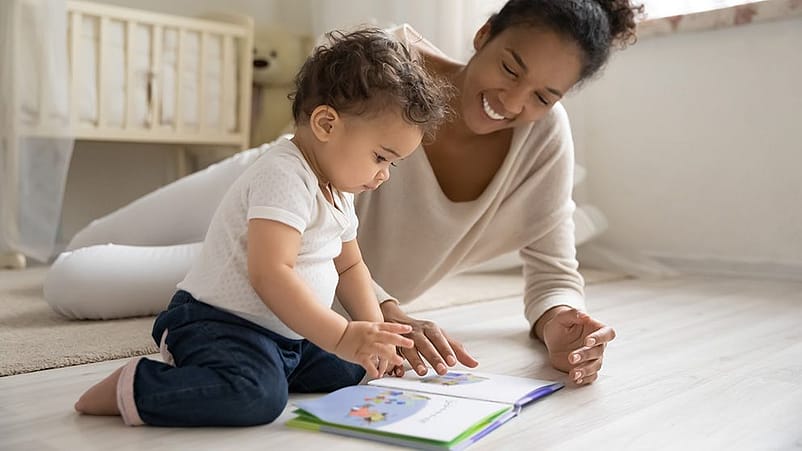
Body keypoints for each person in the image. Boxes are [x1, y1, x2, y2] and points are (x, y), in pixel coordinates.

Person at [48, 0, 642, 388]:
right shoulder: (388, 66)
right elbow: (312, 152)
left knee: (77, 283)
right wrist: (386, 309)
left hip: (307, 267)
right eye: (510, 68)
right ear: (482, 34)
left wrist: (562, 318)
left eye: (544, 96)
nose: (514, 103)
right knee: (83, 253)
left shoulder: (542, 142)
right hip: (273, 200)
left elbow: (552, 268)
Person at [72, 28, 451, 427]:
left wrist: (374, 335)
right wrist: (342, 337)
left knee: (351, 370)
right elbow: (270, 273)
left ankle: (281, 365)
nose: (384, 175)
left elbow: (351, 268)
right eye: (380, 157)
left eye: (391, 164)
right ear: (326, 123)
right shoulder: (284, 175)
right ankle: (133, 385)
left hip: (284, 336)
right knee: (256, 396)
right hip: (218, 324)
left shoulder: (339, 192)